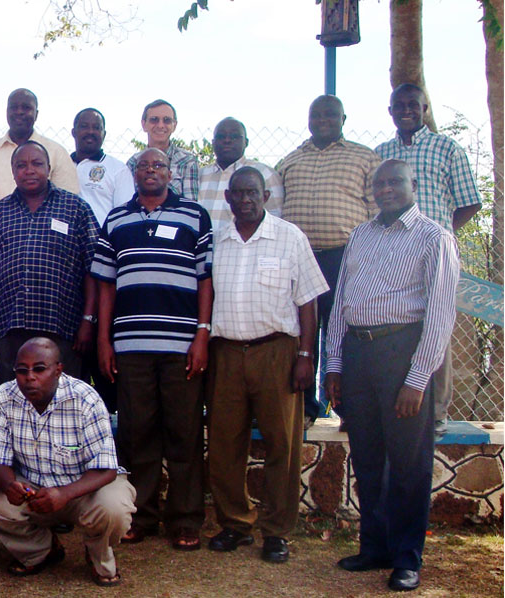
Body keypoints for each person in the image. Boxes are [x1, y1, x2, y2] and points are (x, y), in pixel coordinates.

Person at [325, 160, 459, 593]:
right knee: (367, 457)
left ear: (412, 185)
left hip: (403, 351)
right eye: (379, 183)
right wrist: (336, 365)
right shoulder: (361, 235)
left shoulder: (434, 238)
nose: (386, 190)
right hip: (360, 353)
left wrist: (418, 379)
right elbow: (342, 298)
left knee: (408, 463)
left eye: (394, 182)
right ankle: (375, 547)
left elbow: (440, 315)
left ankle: (406, 558)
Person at [205, 167, 327, 563]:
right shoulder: (215, 242)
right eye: (237, 193)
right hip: (225, 353)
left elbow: (308, 301)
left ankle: (276, 531)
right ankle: (235, 524)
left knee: (282, 444)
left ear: (266, 196)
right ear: (227, 198)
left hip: (277, 352)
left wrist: (306, 356)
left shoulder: (290, 238)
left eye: (252, 192)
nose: (245, 199)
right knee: (225, 444)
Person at [93, 148, 212, 551]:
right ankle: (139, 515)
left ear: (169, 172)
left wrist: (202, 335)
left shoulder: (195, 216)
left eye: (157, 165)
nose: (150, 171)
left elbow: (206, 280)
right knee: (136, 433)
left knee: (184, 432)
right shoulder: (116, 219)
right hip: (130, 346)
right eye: (143, 166)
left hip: (182, 346)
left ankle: (185, 519)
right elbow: (105, 284)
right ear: (135, 173)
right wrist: (104, 340)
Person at [0, 337, 135, 586]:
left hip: (86, 487)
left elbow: (106, 470)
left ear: (58, 370)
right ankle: (41, 551)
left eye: (39, 369)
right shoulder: (3, 397)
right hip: (33, 490)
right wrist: (9, 486)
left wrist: (64, 494)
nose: (29, 377)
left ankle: (98, 554)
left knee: (114, 508)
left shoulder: (85, 398)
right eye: (21, 370)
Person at [375, 83, 481, 435]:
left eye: (413, 105)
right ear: (390, 111)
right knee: (395, 324)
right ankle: (395, 404)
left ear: (424, 109)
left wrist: (442, 235)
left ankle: (435, 412)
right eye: (398, 105)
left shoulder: (446, 148)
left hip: (433, 250)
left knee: (437, 325)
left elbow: (469, 201)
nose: (406, 110)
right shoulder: (382, 153)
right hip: (391, 253)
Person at [277, 95, 381, 426]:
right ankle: (304, 408)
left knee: (343, 333)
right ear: (308, 119)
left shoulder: (365, 158)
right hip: (299, 259)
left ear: (343, 119)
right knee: (300, 335)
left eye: (330, 115)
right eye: (316, 115)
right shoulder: (290, 160)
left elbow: (378, 211)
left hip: (346, 257)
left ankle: (347, 410)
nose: (323, 120)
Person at [0, 141, 98, 385]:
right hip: (11, 326)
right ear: (13, 172)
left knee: (64, 400)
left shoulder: (75, 208)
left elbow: (93, 270)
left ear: (48, 168)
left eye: (36, 163)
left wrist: (88, 320)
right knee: (12, 401)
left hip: (63, 326)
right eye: (21, 165)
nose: (29, 170)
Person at [0, 89, 79, 210]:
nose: (19, 112)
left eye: (26, 107)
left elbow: (69, 201)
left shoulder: (57, 152)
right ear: (7, 112)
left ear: (36, 114)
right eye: (14, 107)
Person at [196, 117, 284, 231]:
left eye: (234, 136)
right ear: (213, 143)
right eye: (221, 136)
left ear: (246, 142)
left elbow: (276, 217)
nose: (227, 140)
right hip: (202, 247)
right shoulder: (199, 175)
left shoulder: (266, 174)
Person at [70, 107, 135, 226]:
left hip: (99, 241)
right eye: (84, 126)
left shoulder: (118, 170)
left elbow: (125, 215)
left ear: (104, 134)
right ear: (74, 132)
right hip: (64, 240)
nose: (90, 132)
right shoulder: (62, 164)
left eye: (96, 128)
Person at [125, 100, 200, 200]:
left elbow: (191, 206)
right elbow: (128, 202)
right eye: (154, 120)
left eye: (167, 120)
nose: (160, 125)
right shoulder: (133, 162)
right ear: (144, 125)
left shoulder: (187, 161)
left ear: (174, 126)